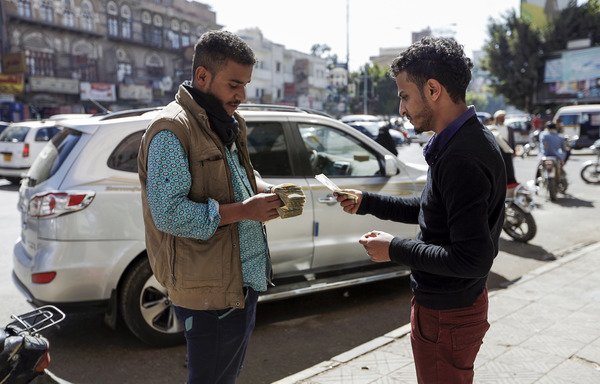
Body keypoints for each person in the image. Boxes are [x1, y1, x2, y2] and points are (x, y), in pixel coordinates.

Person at [335, 37, 506, 384]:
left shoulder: (461, 156)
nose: (401, 109)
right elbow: (430, 210)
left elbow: (472, 258)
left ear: (432, 89)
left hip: (448, 314)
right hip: (448, 308)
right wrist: (368, 202)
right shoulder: (462, 140)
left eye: (404, 96)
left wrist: (393, 249)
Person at [138, 30, 289, 384]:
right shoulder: (172, 130)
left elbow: (236, 179)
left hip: (241, 283)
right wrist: (244, 211)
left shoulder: (225, 123)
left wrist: (269, 191)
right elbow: (170, 214)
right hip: (209, 292)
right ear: (202, 76)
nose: (242, 95)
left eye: (246, 85)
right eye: (234, 84)